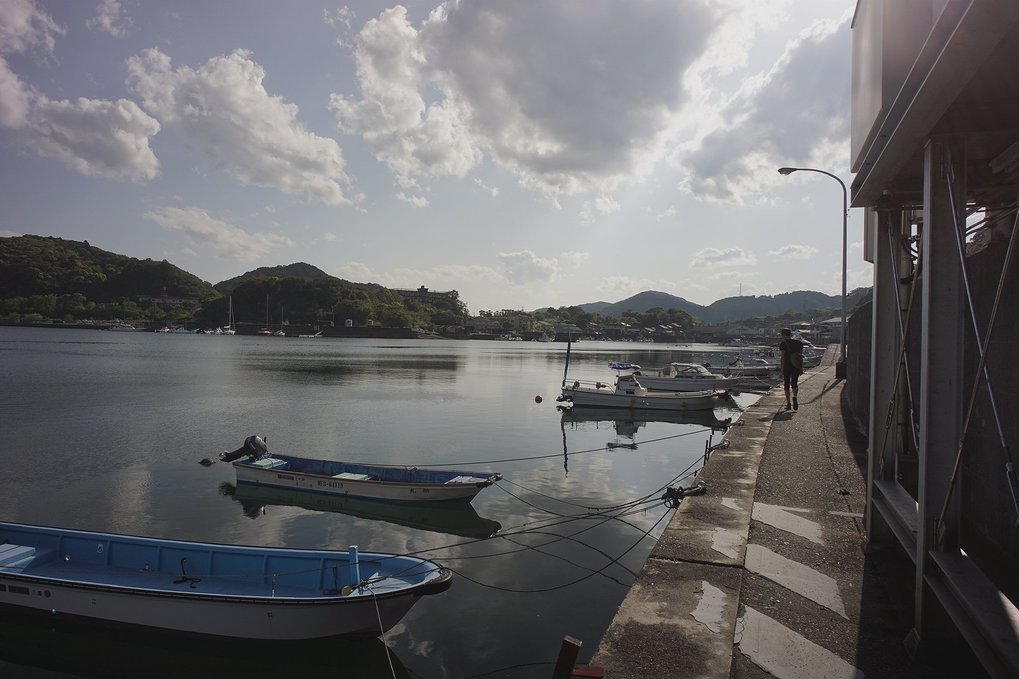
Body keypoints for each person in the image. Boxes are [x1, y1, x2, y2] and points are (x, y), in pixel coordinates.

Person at [779, 328, 804, 410]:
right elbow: (800, 357)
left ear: (784, 335)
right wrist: (800, 368)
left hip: (787, 366)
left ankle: (788, 403)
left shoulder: (783, 344)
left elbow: (783, 357)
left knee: (786, 384)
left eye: (782, 335)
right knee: (794, 383)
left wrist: (781, 370)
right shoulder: (798, 343)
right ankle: (795, 397)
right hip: (796, 366)